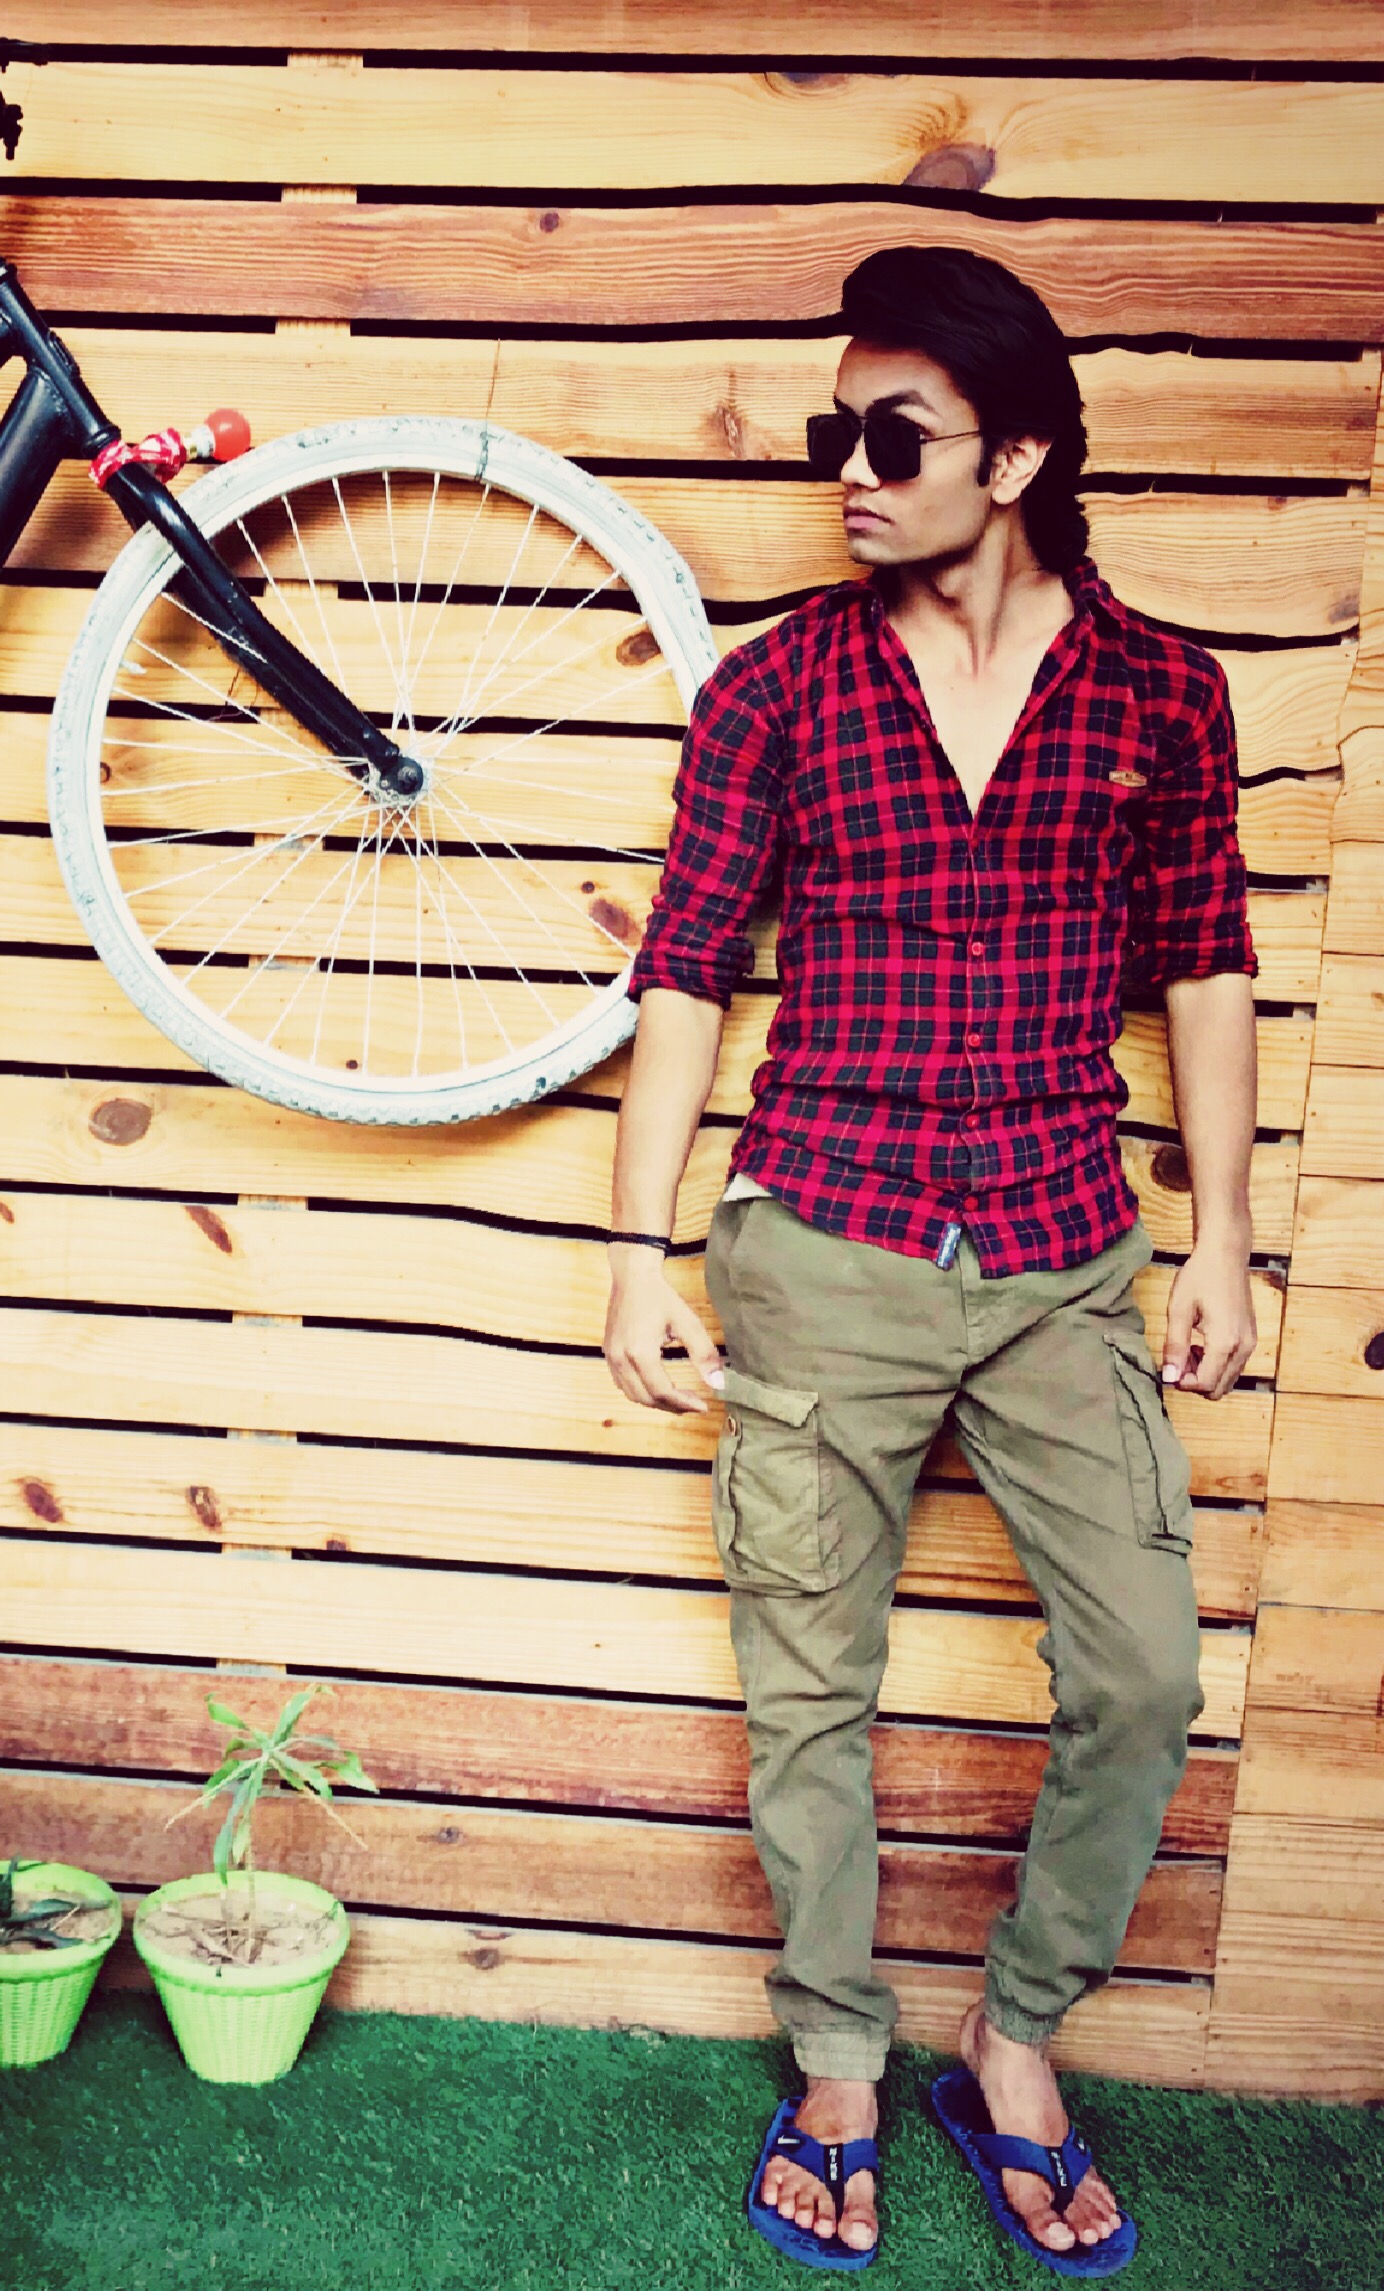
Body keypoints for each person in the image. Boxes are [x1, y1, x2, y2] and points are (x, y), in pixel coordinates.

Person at [603, 244, 1258, 2276]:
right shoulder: (776, 685)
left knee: (1145, 1671)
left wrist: (1225, 1238)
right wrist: (630, 1245)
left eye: (895, 438)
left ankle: (1016, 2036)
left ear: (1019, 455)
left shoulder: (1162, 695)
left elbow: (1205, 967)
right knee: (810, 1690)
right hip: (822, 1239)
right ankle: (833, 2064)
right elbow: (685, 968)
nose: (850, 473)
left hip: (1063, 1251)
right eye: (835, 433)